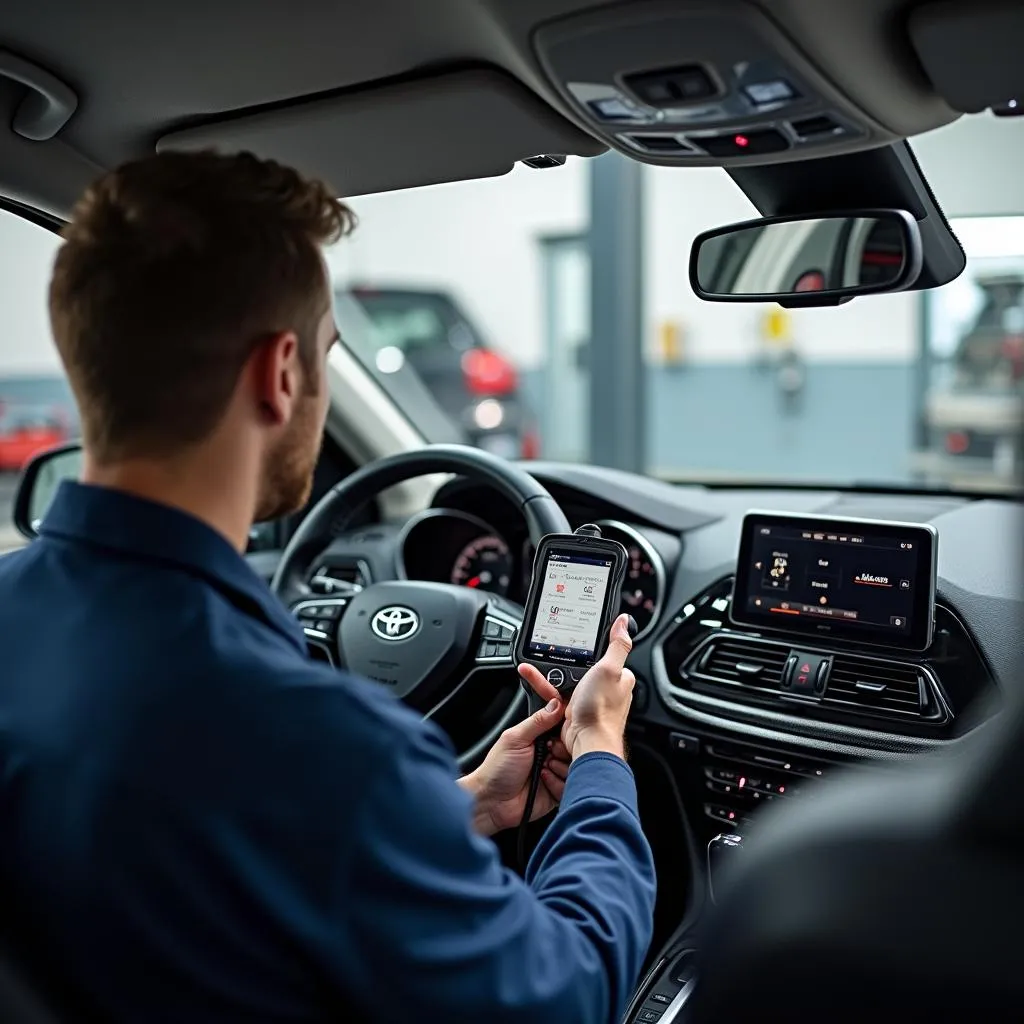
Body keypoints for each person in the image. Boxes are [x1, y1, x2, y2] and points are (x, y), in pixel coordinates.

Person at [0, 150, 656, 1023]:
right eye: (325, 357)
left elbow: (195, 849)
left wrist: (451, 811)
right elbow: (567, 994)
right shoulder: (322, 747)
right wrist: (603, 764)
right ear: (279, 374)